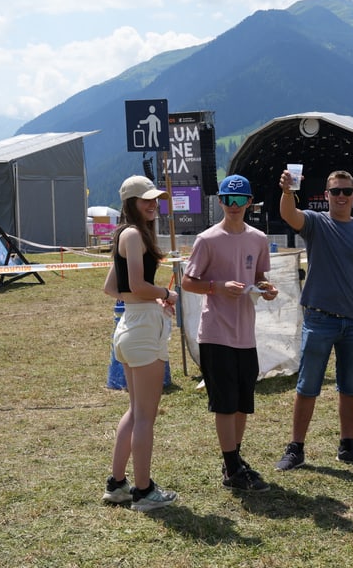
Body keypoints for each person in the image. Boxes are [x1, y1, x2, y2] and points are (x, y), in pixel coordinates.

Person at [274, 169, 353, 470]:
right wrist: (288, 191)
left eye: (347, 191)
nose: (341, 196)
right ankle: (296, 448)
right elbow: (289, 215)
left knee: (351, 386)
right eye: (335, 191)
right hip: (319, 320)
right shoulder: (316, 223)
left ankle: (348, 445)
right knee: (307, 385)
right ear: (325, 196)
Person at [181, 174, 279, 492]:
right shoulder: (207, 240)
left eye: (240, 200)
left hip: (245, 335)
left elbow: (260, 274)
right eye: (228, 199)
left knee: (242, 403)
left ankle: (232, 460)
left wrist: (266, 288)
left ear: (250, 202)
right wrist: (218, 287)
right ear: (220, 201)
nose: (234, 206)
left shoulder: (258, 238)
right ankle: (233, 466)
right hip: (215, 332)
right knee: (224, 403)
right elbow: (187, 282)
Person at [101, 175, 180, 511]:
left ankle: (117, 485)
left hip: (131, 325)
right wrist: (164, 293)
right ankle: (143, 492)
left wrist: (144, 300)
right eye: (146, 199)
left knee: (136, 412)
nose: (153, 204)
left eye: (155, 199)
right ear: (130, 203)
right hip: (142, 329)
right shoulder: (134, 235)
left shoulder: (125, 234)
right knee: (146, 415)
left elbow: (111, 287)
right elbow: (134, 283)